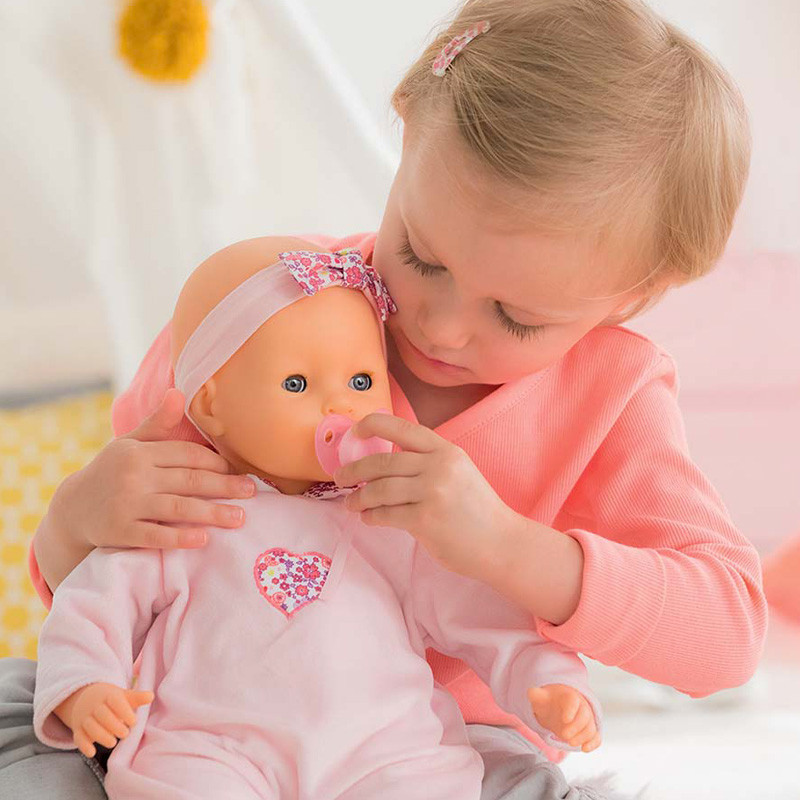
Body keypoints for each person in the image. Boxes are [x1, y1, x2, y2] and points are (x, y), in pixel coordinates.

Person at [0, 1, 766, 798]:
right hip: (197, 721)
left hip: (441, 749)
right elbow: (114, 585)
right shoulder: (270, 298)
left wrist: (504, 546)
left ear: (635, 294)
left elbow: (729, 636)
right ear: (405, 128)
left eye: (516, 316)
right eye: (423, 258)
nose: (440, 326)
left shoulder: (613, 394)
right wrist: (73, 524)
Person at [33, 239, 602, 800]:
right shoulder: (187, 510)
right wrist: (86, 689)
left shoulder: (391, 519)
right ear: (212, 405)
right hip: (212, 744)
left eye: (361, 382)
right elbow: (93, 605)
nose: (340, 407)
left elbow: (484, 617)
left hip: (381, 747)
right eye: (297, 384)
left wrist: (548, 684)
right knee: (178, 783)